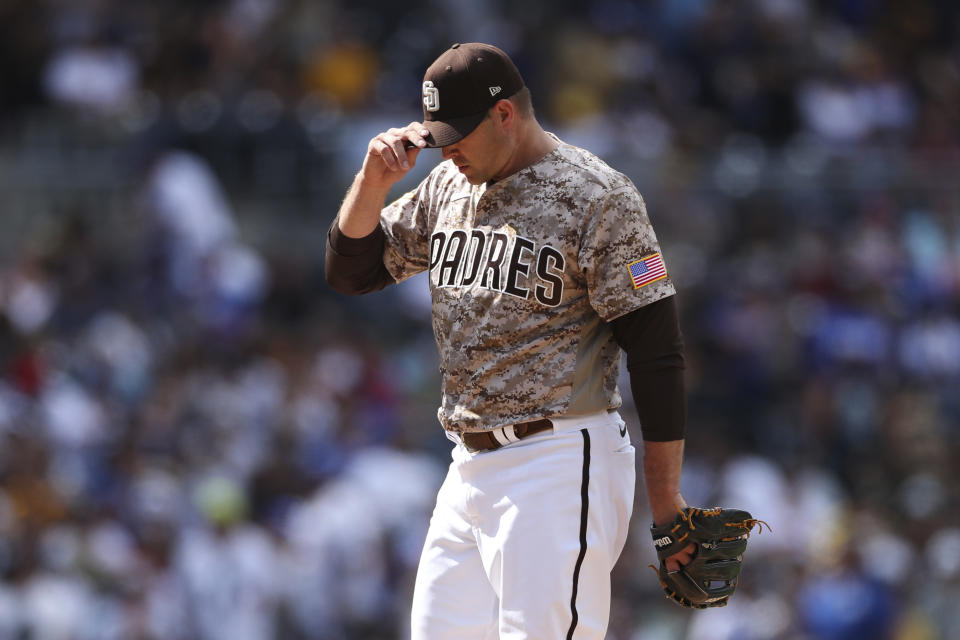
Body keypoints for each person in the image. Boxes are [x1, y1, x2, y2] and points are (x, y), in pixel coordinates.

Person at [325, 42, 693, 640]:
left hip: (557, 457)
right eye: (440, 135)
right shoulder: (448, 185)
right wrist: (372, 183)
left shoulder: (601, 197)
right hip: (467, 465)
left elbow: (657, 350)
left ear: (505, 115)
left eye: (460, 133)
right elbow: (352, 271)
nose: (449, 149)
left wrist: (667, 498)